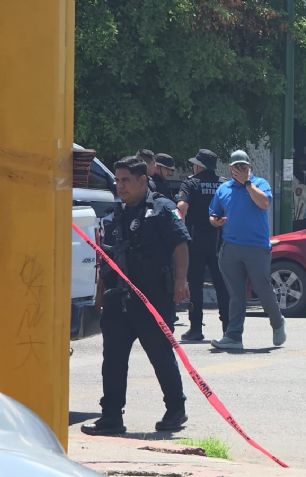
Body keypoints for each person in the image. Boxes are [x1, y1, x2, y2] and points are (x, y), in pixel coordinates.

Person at [81, 156, 190, 435]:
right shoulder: (117, 214)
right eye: (117, 180)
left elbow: (180, 245)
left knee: (160, 356)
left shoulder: (162, 209)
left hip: (152, 298)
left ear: (143, 180)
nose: (120, 186)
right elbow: (107, 258)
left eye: (125, 180)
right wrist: (100, 294)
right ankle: (111, 417)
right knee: (113, 360)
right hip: (120, 299)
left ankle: (176, 409)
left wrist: (181, 280)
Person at [208, 150, 286, 350]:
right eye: (237, 167)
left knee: (262, 288)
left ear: (250, 167)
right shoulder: (224, 189)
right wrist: (216, 221)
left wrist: (247, 183)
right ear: (231, 169)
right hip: (230, 247)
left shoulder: (260, 184)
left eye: (244, 166)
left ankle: (277, 323)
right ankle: (234, 336)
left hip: (256, 248)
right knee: (236, 294)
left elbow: (264, 202)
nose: (241, 169)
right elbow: (213, 214)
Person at [176, 149, 230, 341]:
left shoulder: (190, 183)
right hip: (220, 240)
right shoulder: (223, 184)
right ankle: (228, 329)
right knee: (222, 285)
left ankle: (196, 329)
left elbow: (182, 206)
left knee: (196, 285)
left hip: (196, 240)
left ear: (199, 166)